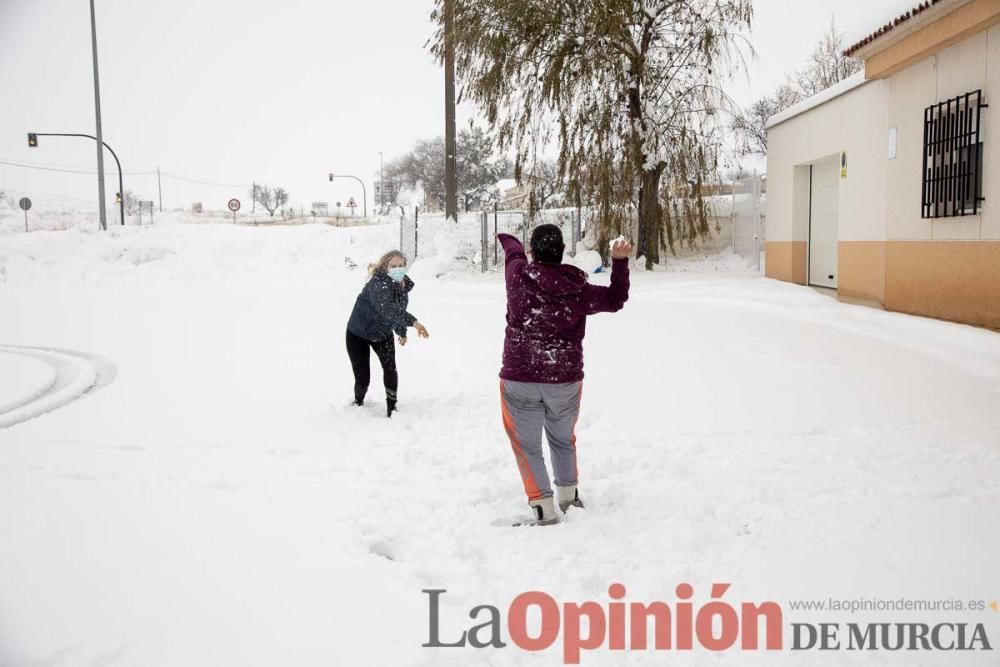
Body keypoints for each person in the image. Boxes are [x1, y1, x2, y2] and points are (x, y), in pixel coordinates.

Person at [497, 225, 631, 524]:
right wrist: (619, 262)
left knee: (526, 444)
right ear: (562, 251)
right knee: (562, 439)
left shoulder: (518, 278)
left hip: (520, 377)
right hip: (565, 378)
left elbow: (512, 253)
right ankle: (569, 498)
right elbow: (615, 299)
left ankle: (543, 507)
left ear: (533, 253)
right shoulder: (578, 289)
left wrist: (508, 237)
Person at [346, 250, 429, 417]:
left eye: (401, 266)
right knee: (363, 379)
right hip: (358, 335)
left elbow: (398, 310)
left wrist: (401, 331)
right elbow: (389, 310)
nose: (398, 269)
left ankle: (392, 409)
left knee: (390, 369)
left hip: (382, 334)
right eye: (393, 266)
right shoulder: (378, 284)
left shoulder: (402, 285)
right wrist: (414, 322)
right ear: (385, 267)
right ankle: (358, 402)